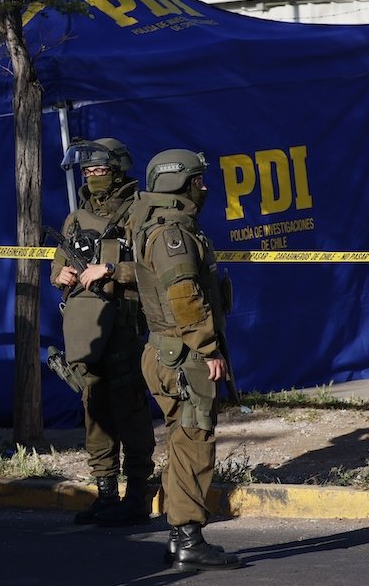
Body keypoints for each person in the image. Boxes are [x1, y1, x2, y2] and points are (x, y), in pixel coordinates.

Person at [128, 148, 242, 572]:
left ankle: (180, 536)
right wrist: (209, 348)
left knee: (181, 443)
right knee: (195, 444)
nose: (205, 187)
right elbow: (183, 296)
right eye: (198, 180)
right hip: (184, 354)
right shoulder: (172, 232)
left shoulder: (152, 225)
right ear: (181, 183)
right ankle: (189, 538)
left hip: (166, 351)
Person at [49, 138, 156, 526]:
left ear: (118, 169)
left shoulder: (140, 211)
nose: (93, 177)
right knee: (95, 408)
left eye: (100, 170)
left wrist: (112, 271)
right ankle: (106, 492)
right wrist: (59, 275)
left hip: (126, 325)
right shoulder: (75, 219)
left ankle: (138, 493)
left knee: (129, 408)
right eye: (88, 171)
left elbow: (154, 268)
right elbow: (58, 268)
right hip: (87, 327)